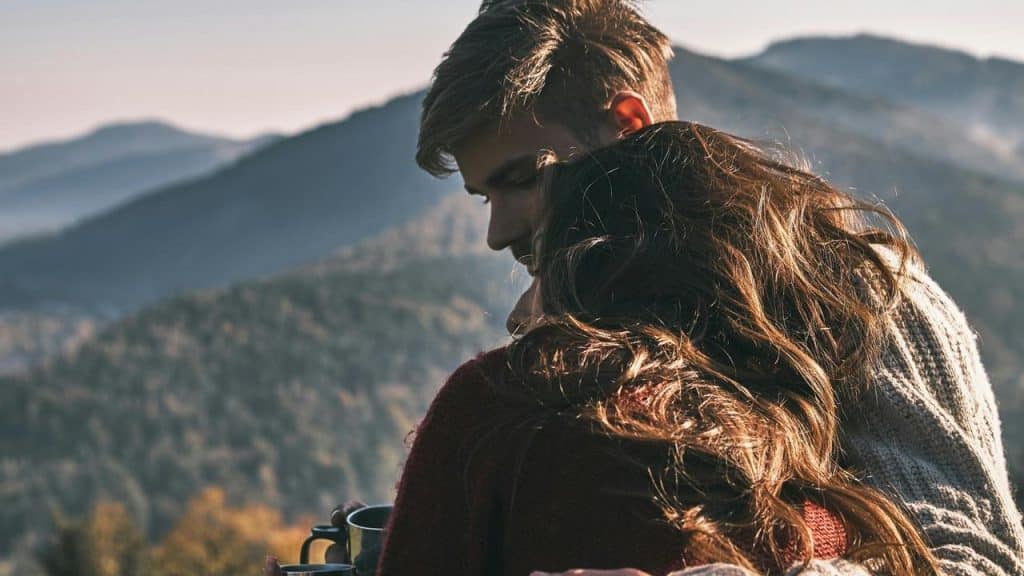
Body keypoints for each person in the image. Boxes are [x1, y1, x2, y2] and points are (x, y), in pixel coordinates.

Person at [410, 1, 1024, 574]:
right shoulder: (566, 333)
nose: (497, 232)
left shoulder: (853, 293)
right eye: (484, 196)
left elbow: (977, 557)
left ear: (629, 125)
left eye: (520, 178)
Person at [376, 121, 943, 574]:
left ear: (594, 262)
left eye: (547, 257)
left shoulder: (500, 404)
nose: (517, 308)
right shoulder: (814, 482)